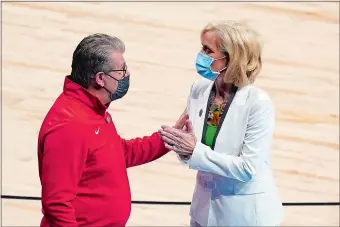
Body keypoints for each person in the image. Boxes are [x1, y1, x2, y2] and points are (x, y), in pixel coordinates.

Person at [37, 33, 187, 227]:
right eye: (121, 70)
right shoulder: (70, 125)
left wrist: (170, 137)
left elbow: (119, 153)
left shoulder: (93, 110)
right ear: (100, 78)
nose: (127, 75)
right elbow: (57, 203)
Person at [159, 21, 284, 226]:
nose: (200, 54)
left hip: (244, 215)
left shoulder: (258, 103)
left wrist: (194, 150)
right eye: (201, 47)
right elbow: (196, 151)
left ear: (231, 58)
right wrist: (183, 151)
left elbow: (247, 168)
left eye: (207, 50)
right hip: (202, 210)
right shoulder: (198, 90)